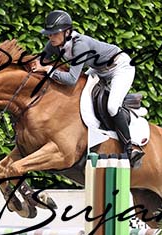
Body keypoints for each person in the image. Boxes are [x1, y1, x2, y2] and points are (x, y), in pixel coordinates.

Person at [32, 10, 144, 167]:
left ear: (67, 32)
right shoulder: (54, 44)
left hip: (120, 67)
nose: (51, 37)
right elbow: (40, 60)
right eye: (49, 34)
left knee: (112, 106)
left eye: (55, 34)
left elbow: (71, 79)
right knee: (80, 95)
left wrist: (47, 70)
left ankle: (130, 148)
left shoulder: (80, 45)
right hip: (99, 69)